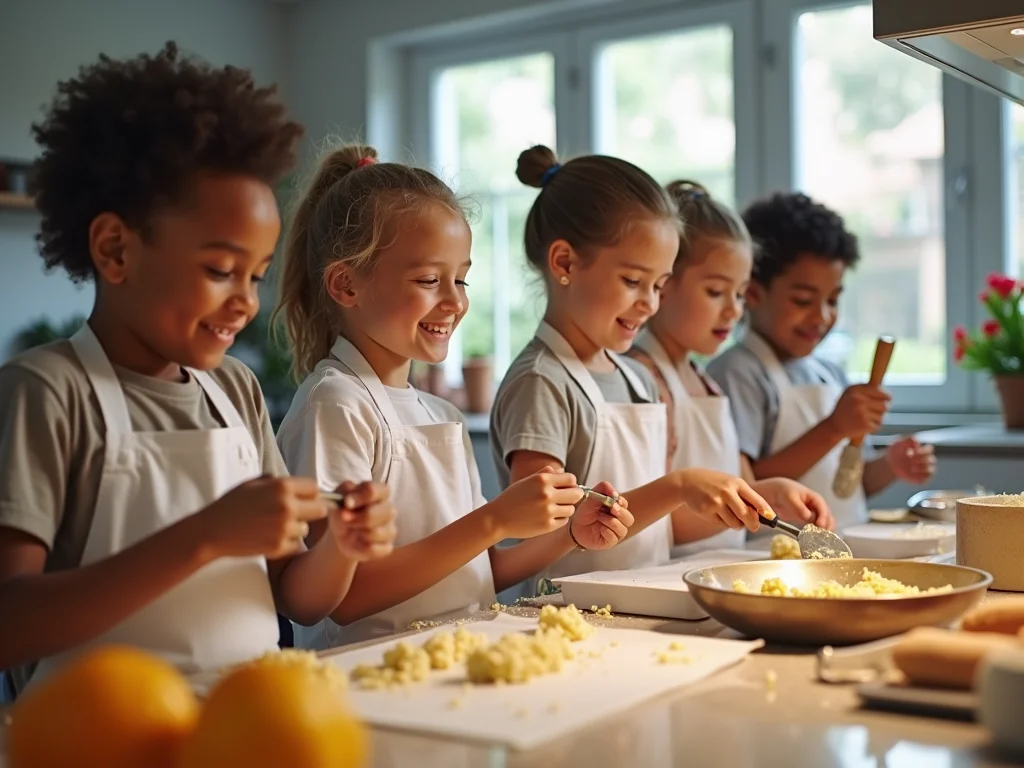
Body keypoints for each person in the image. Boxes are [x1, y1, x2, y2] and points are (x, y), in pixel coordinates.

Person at [0, 43, 396, 695]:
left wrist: (342, 548)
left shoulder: (233, 390)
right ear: (115, 249)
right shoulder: (46, 393)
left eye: (258, 276)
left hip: (243, 725)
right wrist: (204, 537)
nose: (245, 300)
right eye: (219, 270)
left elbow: (295, 597)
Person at [274, 144, 634, 648]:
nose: (455, 301)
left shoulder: (439, 412)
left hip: (447, 661)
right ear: (345, 284)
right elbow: (343, 598)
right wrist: (495, 520)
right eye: (428, 280)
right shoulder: (334, 405)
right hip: (364, 673)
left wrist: (570, 535)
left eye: (461, 278)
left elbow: (478, 571)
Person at [490, 146, 776, 583]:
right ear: (565, 262)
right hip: (570, 618)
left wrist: (759, 502)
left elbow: (663, 525)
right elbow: (536, 537)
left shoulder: (636, 378)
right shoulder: (541, 382)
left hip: (640, 608)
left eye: (659, 285)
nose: (649, 303)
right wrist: (677, 486)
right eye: (632, 281)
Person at [627, 181, 833, 557]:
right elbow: (650, 520)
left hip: (716, 574)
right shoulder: (643, 379)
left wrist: (778, 493)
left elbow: (745, 483)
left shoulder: (707, 383)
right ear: (664, 282)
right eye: (716, 292)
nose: (734, 310)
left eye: (739, 294)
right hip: (665, 578)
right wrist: (736, 512)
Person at [707, 191, 935, 529]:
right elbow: (747, 486)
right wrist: (834, 428)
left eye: (833, 300)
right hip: (773, 554)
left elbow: (849, 486)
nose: (822, 316)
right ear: (752, 293)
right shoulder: (738, 372)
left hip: (843, 543)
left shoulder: (829, 373)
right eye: (803, 300)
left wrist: (890, 465)